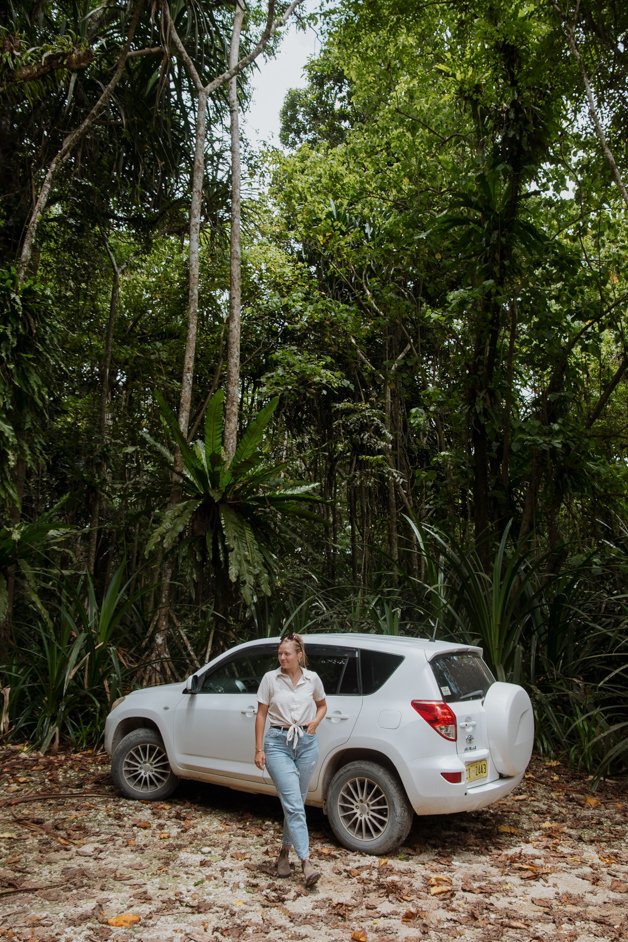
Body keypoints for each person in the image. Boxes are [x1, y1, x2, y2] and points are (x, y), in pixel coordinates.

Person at [254, 632, 327, 888]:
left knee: (295, 802)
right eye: (279, 654)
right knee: (294, 804)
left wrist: (315, 722)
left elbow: (322, 705)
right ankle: (306, 862)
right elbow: (261, 714)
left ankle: (284, 853)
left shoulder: (312, 679)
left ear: (299, 655)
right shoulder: (270, 679)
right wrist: (258, 749)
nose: (282, 658)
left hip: (306, 744)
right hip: (277, 743)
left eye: (287, 654)